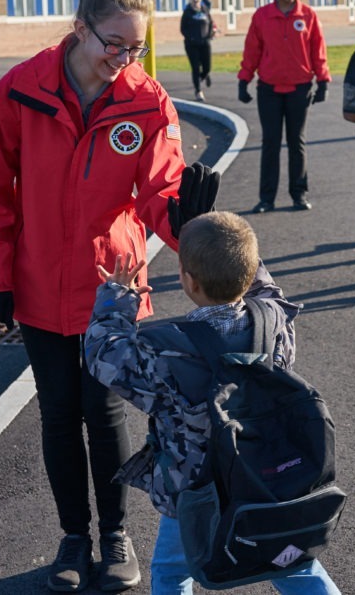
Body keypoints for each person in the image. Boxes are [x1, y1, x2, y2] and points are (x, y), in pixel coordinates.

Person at [0, 0, 216, 593]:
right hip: (38, 281)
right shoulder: (20, 90)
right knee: (58, 414)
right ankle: (73, 536)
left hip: (114, 283)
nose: (124, 60)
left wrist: (185, 223)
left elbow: (159, 188)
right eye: (115, 45)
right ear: (79, 29)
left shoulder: (147, 99)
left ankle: (115, 534)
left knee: (104, 412)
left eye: (136, 48)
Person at [83, 212, 341, 595]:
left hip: (195, 488)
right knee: (292, 563)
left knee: (173, 573)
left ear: (187, 280)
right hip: (269, 478)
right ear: (250, 269)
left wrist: (116, 298)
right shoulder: (274, 324)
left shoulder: (167, 351)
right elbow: (267, 289)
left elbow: (105, 353)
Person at [238, 0, 331, 213]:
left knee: (296, 141)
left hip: (300, 88)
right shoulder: (263, 16)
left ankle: (299, 194)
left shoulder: (308, 16)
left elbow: (317, 51)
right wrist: (244, 79)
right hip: (269, 88)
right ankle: (266, 198)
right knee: (270, 142)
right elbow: (252, 51)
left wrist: (323, 80)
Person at [179, 0, 215, 102]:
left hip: (205, 43)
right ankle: (198, 91)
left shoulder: (205, 10)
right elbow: (183, 29)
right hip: (191, 45)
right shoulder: (188, 12)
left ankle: (205, 74)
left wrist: (209, 35)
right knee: (195, 67)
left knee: (207, 67)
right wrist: (191, 38)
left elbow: (210, 23)